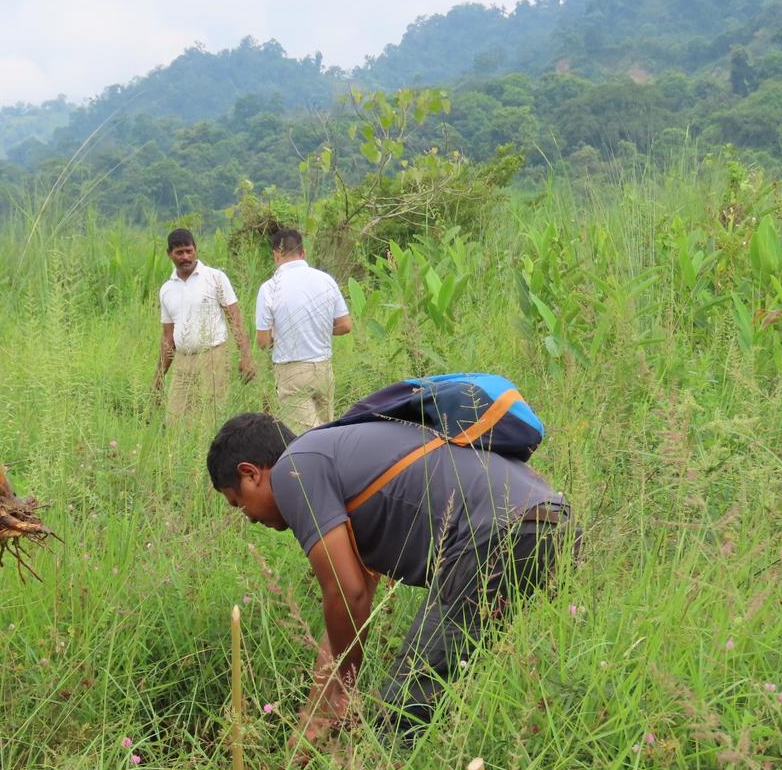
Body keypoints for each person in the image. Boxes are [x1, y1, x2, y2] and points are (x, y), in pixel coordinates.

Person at [206, 411, 574, 742]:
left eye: (239, 504)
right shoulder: (338, 460)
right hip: (553, 525)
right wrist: (315, 713)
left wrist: (343, 692)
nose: (250, 518)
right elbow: (346, 617)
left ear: (250, 473)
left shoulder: (295, 469)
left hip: (499, 535)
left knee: (400, 715)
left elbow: (348, 595)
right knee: (474, 690)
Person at [254, 228, 351, 434]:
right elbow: (345, 325)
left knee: (303, 440)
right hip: (323, 369)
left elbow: (262, 341)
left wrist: (287, 334)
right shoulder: (326, 280)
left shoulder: (270, 287)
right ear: (303, 253)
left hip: (292, 371)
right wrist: (316, 328)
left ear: (276, 254)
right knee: (326, 433)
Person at [153, 228, 255, 421]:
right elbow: (168, 337)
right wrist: (159, 375)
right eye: (179, 253)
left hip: (213, 356)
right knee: (175, 419)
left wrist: (246, 356)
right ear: (169, 254)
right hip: (182, 360)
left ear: (196, 250)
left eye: (189, 251)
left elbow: (235, 320)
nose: (185, 257)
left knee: (212, 418)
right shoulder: (167, 289)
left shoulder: (215, 278)